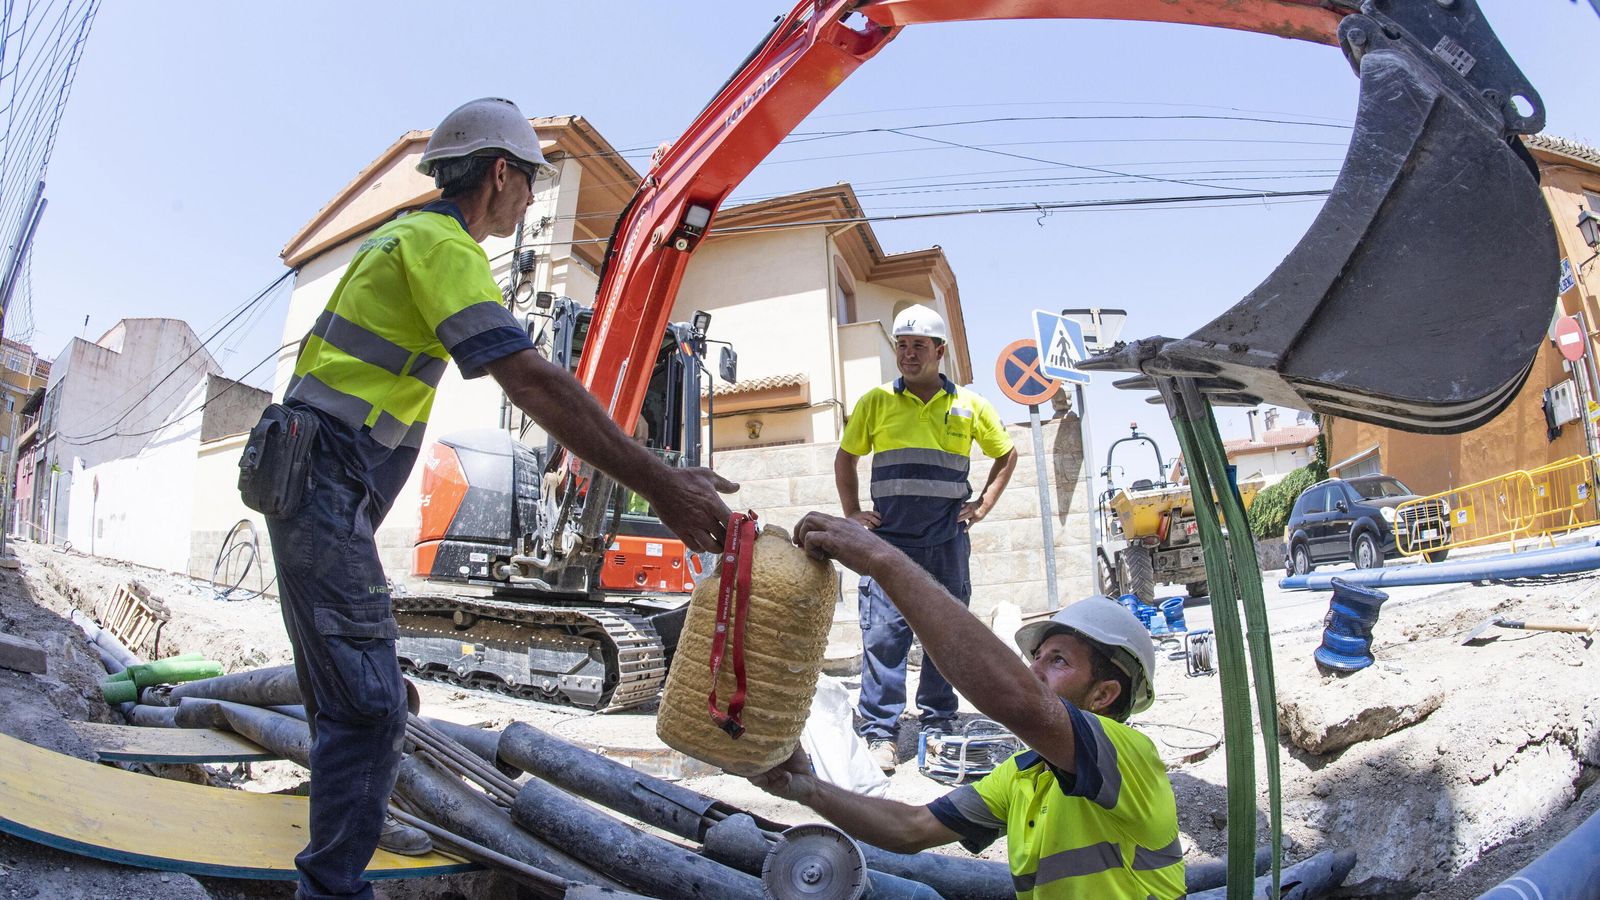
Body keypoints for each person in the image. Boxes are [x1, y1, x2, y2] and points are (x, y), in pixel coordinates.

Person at [258, 97, 736, 900]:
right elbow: (532, 380)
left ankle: (354, 820)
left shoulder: (406, 239)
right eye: (531, 182)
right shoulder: (440, 244)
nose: (531, 200)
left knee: (349, 690)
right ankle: (332, 885)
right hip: (324, 480)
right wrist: (660, 481)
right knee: (372, 705)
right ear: (501, 173)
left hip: (313, 478)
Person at [750, 512, 1184, 899]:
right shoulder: (1024, 776)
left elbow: (1014, 700)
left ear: (1104, 694)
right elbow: (911, 829)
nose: (1033, 670)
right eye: (1036, 656)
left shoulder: (1129, 757)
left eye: (1058, 661)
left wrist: (881, 559)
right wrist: (804, 787)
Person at [835, 303, 1018, 771]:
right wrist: (852, 513)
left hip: (945, 543)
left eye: (919, 345)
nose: (909, 354)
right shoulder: (875, 402)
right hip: (887, 544)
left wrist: (983, 506)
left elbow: (1006, 454)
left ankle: (938, 723)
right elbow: (845, 457)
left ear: (939, 351)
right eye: (902, 345)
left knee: (946, 638)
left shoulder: (971, 405)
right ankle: (880, 734)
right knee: (883, 637)